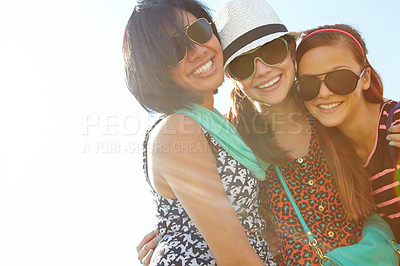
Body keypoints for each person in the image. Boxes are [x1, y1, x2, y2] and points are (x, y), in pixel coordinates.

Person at [136, 0, 400, 264]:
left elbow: (377, 125)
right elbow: (214, 211)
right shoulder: (233, 144)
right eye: (243, 63)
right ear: (230, 76)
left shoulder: (327, 107)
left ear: (291, 50)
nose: (262, 70)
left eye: (272, 50)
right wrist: (167, 238)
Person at [123, 0, 276, 265]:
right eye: (173, 49)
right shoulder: (177, 131)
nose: (196, 51)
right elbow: (235, 259)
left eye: (199, 31)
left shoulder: (219, 128)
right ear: (154, 70)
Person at [295, 23, 400, 241]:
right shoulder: (323, 155)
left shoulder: (395, 123)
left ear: (365, 78)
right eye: (308, 84)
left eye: (340, 78)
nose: (324, 93)